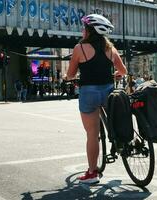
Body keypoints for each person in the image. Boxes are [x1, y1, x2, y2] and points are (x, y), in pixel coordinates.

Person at [65, 14, 127, 184]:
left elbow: (70, 74)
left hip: (88, 93)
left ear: (89, 31)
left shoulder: (80, 48)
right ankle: (122, 140)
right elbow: (123, 71)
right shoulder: (111, 49)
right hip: (108, 92)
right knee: (115, 121)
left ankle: (92, 173)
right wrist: (115, 75)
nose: (82, 30)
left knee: (92, 134)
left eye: (84, 27)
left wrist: (67, 77)